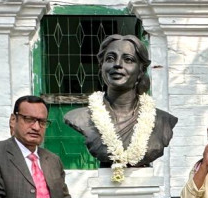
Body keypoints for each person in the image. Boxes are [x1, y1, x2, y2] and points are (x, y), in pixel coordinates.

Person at [64, 34, 178, 169]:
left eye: (128, 60)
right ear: (101, 67)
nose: (117, 64)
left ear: (141, 70)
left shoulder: (162, 120)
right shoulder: (81, 117)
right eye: (110, 58)